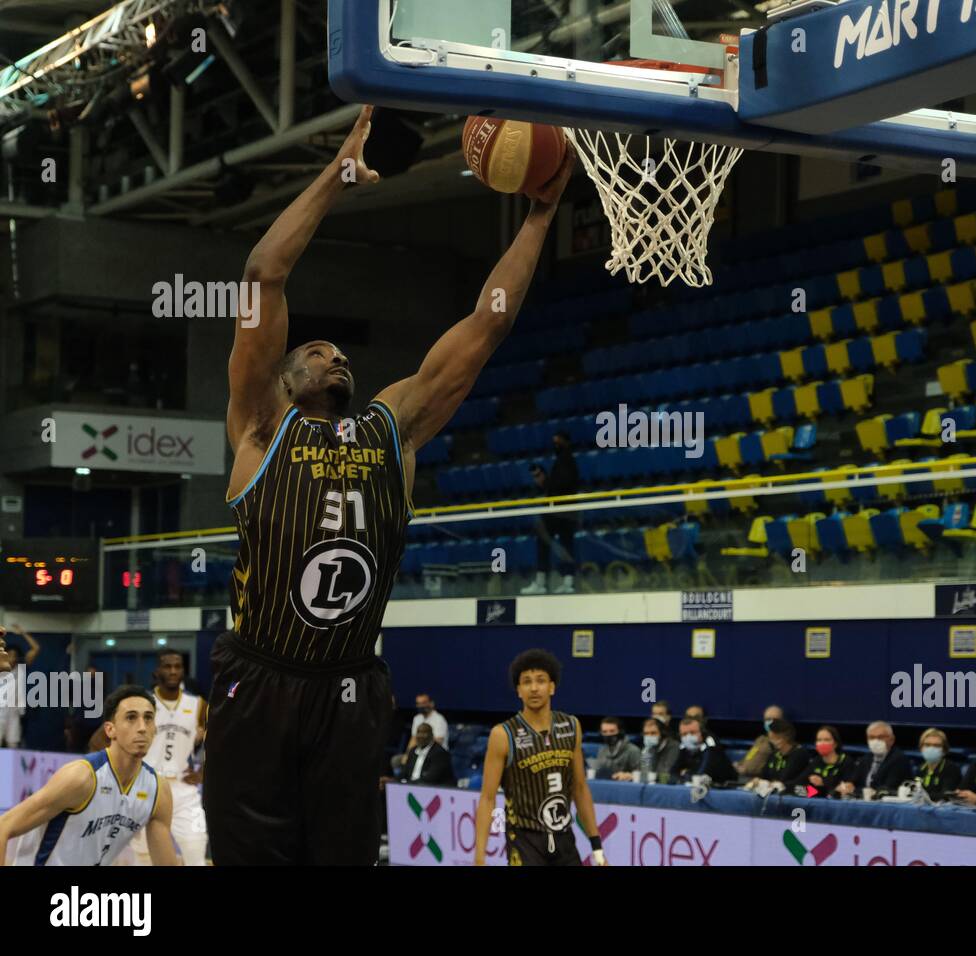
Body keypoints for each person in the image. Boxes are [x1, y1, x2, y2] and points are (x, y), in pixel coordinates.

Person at [208, 105, 575, 865]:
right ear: (283, 378)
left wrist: (540, 217)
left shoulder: (393, 429)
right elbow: (262, 276)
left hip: (350, 688)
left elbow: (487, 325)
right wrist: (338, 175)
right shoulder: (260, 429)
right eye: (317, 350)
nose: (336, 356)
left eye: (342, 352)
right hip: (258, 680)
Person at [0, 685, 178, 866]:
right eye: (131, 717)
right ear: (110, 730)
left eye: (148, 718)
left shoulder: (158, 790)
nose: (142, 727)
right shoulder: (81, 777)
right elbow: (4, 826)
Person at [474, 649, 606, 866]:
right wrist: (479, 856)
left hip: (564, 837)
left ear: (552, 687)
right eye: (527, 682)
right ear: (519, 690)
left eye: (540, 680)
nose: (534, 688)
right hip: (524, 840)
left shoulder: (571, 726)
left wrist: (597, 848)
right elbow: (488, 797)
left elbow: (580, 788)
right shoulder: (503, 734)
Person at [89, 650, 208, 865]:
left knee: (195, 849)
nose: (173, 671)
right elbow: (98, 740)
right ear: (157, 671)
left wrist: (203, 773)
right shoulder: (142, 704)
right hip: (147, 786)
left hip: (183, 788)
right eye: (167, 666)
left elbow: (220, 740)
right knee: (144, 857)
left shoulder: (198, 704)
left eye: (178, 666)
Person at [521, 431, 579, 595]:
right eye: (554, 442)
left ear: (566, 442)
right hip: (557, 510)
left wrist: (546, 482)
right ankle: (549, 582)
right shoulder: (561, 461)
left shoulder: (567, 461)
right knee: (550, 543)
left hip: (562, 510)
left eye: (558, 442)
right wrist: (545, 482)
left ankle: (563, 583)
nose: (556, 445)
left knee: (561, 544)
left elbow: (562, 485)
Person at [838, 720, 912, 798]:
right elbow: (854, 782)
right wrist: (847, 786)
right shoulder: (866, 758)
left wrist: (856, 791)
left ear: (892, 739)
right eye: (871, 737)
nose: (876, 741)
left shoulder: (899, 759)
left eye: (880, 737)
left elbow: (888, 788)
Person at [0, 625, 40, 749]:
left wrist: (23, 632)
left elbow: (36, 648)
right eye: (9, 654)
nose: (12, 657)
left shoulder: (21, 668)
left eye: (14, 655)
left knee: (13, 743)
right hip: (0, 710)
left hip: (14, 712)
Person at [672, 716, 737, 786]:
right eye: (684, 734)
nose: (688, 737)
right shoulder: (683, 746)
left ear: (702, 732)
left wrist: (686, 774)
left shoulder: (710, 744)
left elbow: (703, 773)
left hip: (724, 785)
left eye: (692, 732)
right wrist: (684, 776)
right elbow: (672, 772)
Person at [745, 719, 810, 789]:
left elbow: (786, 779)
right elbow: (764, 774)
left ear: (786, 737)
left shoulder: (799, 754)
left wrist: (771, 784)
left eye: (776, 738)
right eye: (771, 738)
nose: (772, 741)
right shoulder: (775, 753)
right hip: (775, 790)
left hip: (796, 791)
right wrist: (758, 780)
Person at [792, 726, 855, 798]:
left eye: (826, 740)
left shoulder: (846, 761)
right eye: (819, 740)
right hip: (818, 800)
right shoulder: (816, 761)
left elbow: (846, 788)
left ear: (835, 743)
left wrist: (823, 783)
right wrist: (814, 791)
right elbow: (797, 784)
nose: (822, 743)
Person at [392, 693, 448, 773]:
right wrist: (407, 754)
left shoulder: (439, 719)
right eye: (418, 703)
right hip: (419, 753)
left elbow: (438, 742)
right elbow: (413, 739)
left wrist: (421, 754)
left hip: (435, 755)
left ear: (431, 703)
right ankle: (401, 780)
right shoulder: (417, 718)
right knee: (396, 760)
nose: (421, 706)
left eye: (424, 703)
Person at [737, 704, 784, 777]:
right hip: (741, 774)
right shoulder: (761, 739)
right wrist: (739, 765)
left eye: (773, 719)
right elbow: (749, 756)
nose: (769, 722)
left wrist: (747, 770)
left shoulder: (780, 743)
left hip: (755, 778)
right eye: (767, 719)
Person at [916, 727, 962, 801]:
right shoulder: (920, 768)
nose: (931, 748)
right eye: (927, 745)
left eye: (936, 746)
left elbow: (946, 796)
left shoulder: (951, 769)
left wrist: (921, 796)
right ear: (921, 748)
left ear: (944, 750)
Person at [635, 717, 679, 783]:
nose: (649, 736)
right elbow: (643, 769)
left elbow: (665, 772)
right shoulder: (647, 748)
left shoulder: (673, 747)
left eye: (653, 733)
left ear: (662, 733)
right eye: (646, 733)